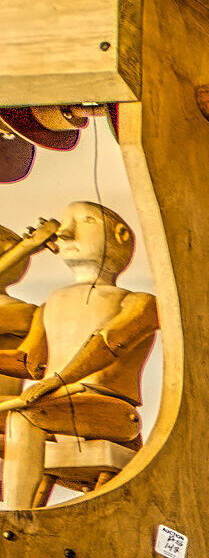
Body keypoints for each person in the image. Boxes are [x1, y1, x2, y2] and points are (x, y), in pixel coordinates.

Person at [0, 201, 158, 509]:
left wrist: (57, 381)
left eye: (83, 221)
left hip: (111, 412)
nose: (66, 233)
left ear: (121, 235)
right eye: (66, 225)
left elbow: (109, 343)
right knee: (23, 414)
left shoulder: (139, 302)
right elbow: (28, 363)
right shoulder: (51, 303)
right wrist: (47, 383)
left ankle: (16, 519)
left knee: (24, 418)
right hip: (55, 402)